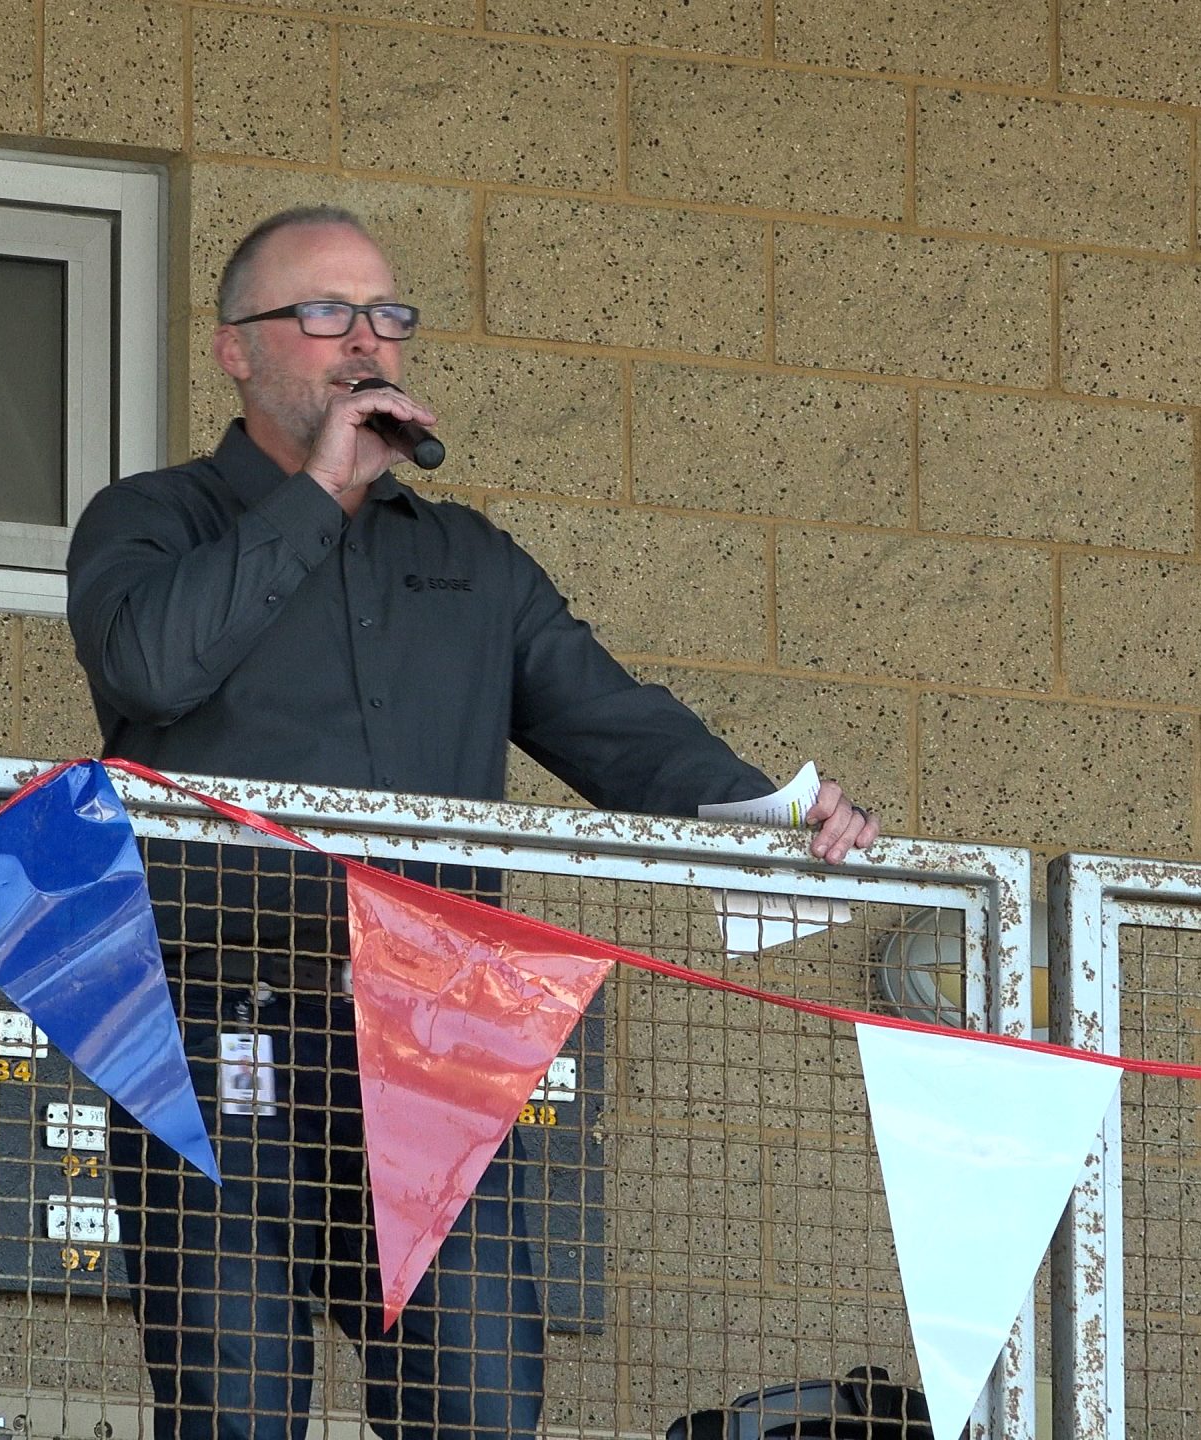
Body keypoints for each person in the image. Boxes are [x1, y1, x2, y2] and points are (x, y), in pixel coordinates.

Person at [64, 205, 880, 1440]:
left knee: (480, 1396)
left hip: (425, 1037)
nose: (365, 340)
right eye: (324, 312)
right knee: (235, 1400)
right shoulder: (151, 519)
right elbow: (148, 668)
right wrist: (319, 490)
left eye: (386, 315)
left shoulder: (470, 559)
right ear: (235, 350)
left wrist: (772, 813)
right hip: (207, 1028)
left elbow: (611, 723)